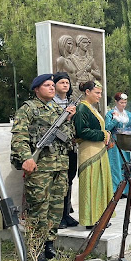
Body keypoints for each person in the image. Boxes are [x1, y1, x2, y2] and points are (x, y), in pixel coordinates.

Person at [11, 74, 76, 261]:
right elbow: (19, 137)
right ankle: (35, 249)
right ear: (36, 89)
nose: (51, 88)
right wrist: (26, 158)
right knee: (39, 208)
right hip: (40, 168)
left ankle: (50, 245)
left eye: (52, 85)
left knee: (56, 209)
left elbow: (69, 137)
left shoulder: (58, 109)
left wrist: (68, 120)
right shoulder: (28, 109)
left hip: (60, 166)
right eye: (47, 85)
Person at [73, 81, 113, 229]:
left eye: (100, 93)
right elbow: (81, 131)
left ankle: (99, 217)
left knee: (99, 185)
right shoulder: (82, 108)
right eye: (97, 92)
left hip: (99, 151)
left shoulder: (92, 108)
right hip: (89, 152)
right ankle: (90, 219)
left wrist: (106, 134)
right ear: (87, 92)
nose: (99, 96)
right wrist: (103, 134)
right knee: (91, 184)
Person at [52, 72, 80, 229]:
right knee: (59, 183)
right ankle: (58, 217)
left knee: (69, 180)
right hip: (57, 150)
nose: (65, 85)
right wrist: (67, 118)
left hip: (71, 148)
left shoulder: (71, 103)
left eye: (67, 82)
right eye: (61, 82)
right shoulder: (51, 104)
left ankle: (65, 213)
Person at [105, 92, 131, 196]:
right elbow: (107, 127)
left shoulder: (129, 115)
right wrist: (115, 120)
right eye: (121, 102)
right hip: (115, 142)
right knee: (116, 165)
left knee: (126, 165)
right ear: (116, 102)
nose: (123, 105)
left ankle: (127, 189)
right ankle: (116, 190)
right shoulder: (111, 113)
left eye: (125, 102)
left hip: (126, 141)